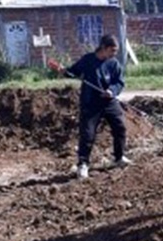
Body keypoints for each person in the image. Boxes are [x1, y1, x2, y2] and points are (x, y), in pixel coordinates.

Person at [55, 34, 131, 179]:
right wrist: (64, 71)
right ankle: (83, 165)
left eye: (115, 51)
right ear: (103, 48)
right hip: (90, 103)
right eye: (112, 51)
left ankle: (119, 157)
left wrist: (111, 91)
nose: (114, 54)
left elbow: (119, 82)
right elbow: (73, 72)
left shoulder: (113, 63)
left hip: (109, 101)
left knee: (120, 126)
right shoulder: (88, 60)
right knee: (88, 134)